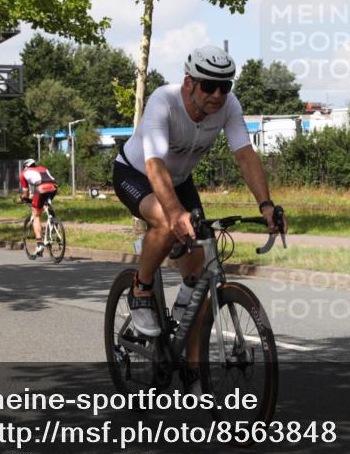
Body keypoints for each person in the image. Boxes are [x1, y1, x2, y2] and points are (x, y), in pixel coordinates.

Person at [113, 44, 287, 339]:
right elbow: (154, 163)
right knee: (168, 224)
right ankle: (140, 290)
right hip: (137, 174)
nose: (217, 95)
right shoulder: (163, 101)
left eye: (224, 86)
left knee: (201, 255)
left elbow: (245, 155)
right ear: (189, 83)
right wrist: (175, 212)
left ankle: (192, 368)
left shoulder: (229, 106)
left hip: (179, 180)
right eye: (209, 86)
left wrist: (266, 205)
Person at [19, 158, 57, 256]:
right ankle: (52, 220)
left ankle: (39, 244)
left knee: (36, 215)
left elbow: (25, 192)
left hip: (40, 188)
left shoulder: (23, 173)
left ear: (25, 166)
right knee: (45, 204)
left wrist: (22, 198)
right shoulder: (43, 168)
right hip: (53, 187)